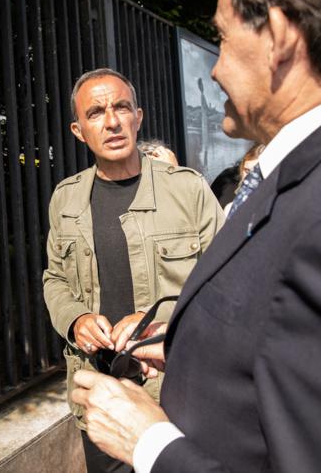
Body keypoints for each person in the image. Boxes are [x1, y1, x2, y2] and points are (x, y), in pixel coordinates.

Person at [72, 0, 321, 471]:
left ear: (280, 36)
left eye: (222, 36)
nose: (215, 67)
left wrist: (149, 444)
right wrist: (199, 343)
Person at [43, 68, 222, 472]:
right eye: (95, 113)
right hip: (101, 398)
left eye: (121, 107)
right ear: (78, 130)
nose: (111, 121)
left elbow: (228, 285)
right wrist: (76, 320)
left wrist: (159, 322)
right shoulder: (66, 199)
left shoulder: (187, 190)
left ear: (138, 117)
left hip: (178, 397)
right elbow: (54, 279)